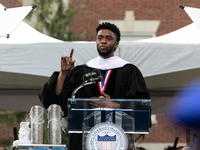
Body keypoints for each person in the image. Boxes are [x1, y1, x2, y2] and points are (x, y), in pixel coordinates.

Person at [39, 22, 150, 150]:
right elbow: (57, 102)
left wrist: (113, 105)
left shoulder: (130, 71)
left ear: (116, 44)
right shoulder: (80, 72)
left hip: (117, 140)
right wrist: (64, 73)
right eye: (100, 38)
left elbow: (142, 107)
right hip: (82, 141)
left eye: (108, 38)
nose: (103, 41)